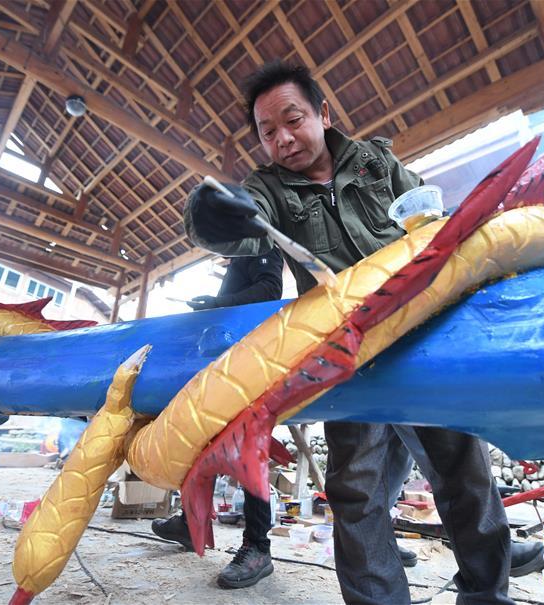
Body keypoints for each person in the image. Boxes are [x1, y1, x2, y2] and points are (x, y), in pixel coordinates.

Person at [183, 60, 518, 604]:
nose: (282, 138)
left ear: (322, 113)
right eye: (268, 132)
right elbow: (241, 232)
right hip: (344, 356)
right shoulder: (268, 188)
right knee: (356, 491)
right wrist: (211, 215)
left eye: (293, 120)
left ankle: (487, 595)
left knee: (465, 476)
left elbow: (430, 218)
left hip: (420, 339)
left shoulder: (376, 162)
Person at [152, 247, 282, 589]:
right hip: (225, 363)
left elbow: (270, 289)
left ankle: (258, 547)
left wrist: (217, 303)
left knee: (250, 450)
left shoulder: (262, 244)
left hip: (250, 364)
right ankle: (189, 522)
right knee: (201, 442)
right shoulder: (239, 258)